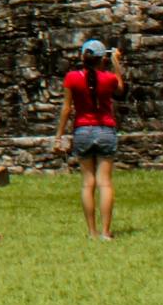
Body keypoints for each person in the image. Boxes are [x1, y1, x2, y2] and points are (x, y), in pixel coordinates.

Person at [52, 39, 122, 241]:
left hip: (82, 131)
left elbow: (67, 108)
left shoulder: (72, 78)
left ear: (83, 57)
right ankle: (106, 232)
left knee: (87, 183)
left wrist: (59, 136)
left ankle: (91, 231)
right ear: (102, 59)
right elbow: (120, 89)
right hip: (105, 130)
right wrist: (117, 63)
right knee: (105, 184)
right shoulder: (108, 78)